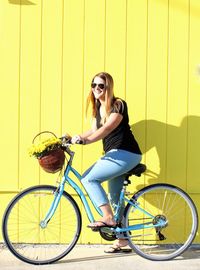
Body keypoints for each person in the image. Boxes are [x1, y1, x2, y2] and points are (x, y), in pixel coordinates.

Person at [71, 72, 142, 253]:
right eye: (94, 85)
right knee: (114, 196)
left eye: (101, 86)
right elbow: (93, 129)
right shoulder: (97, 108)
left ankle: (107, 217)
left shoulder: (118, 105)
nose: (96, 88)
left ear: (108, 87)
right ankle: (122, 240)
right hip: (115, 154)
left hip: (127, 153)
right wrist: (74, 137)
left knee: (88, 178)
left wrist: (86, 142)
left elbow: (108, 127)